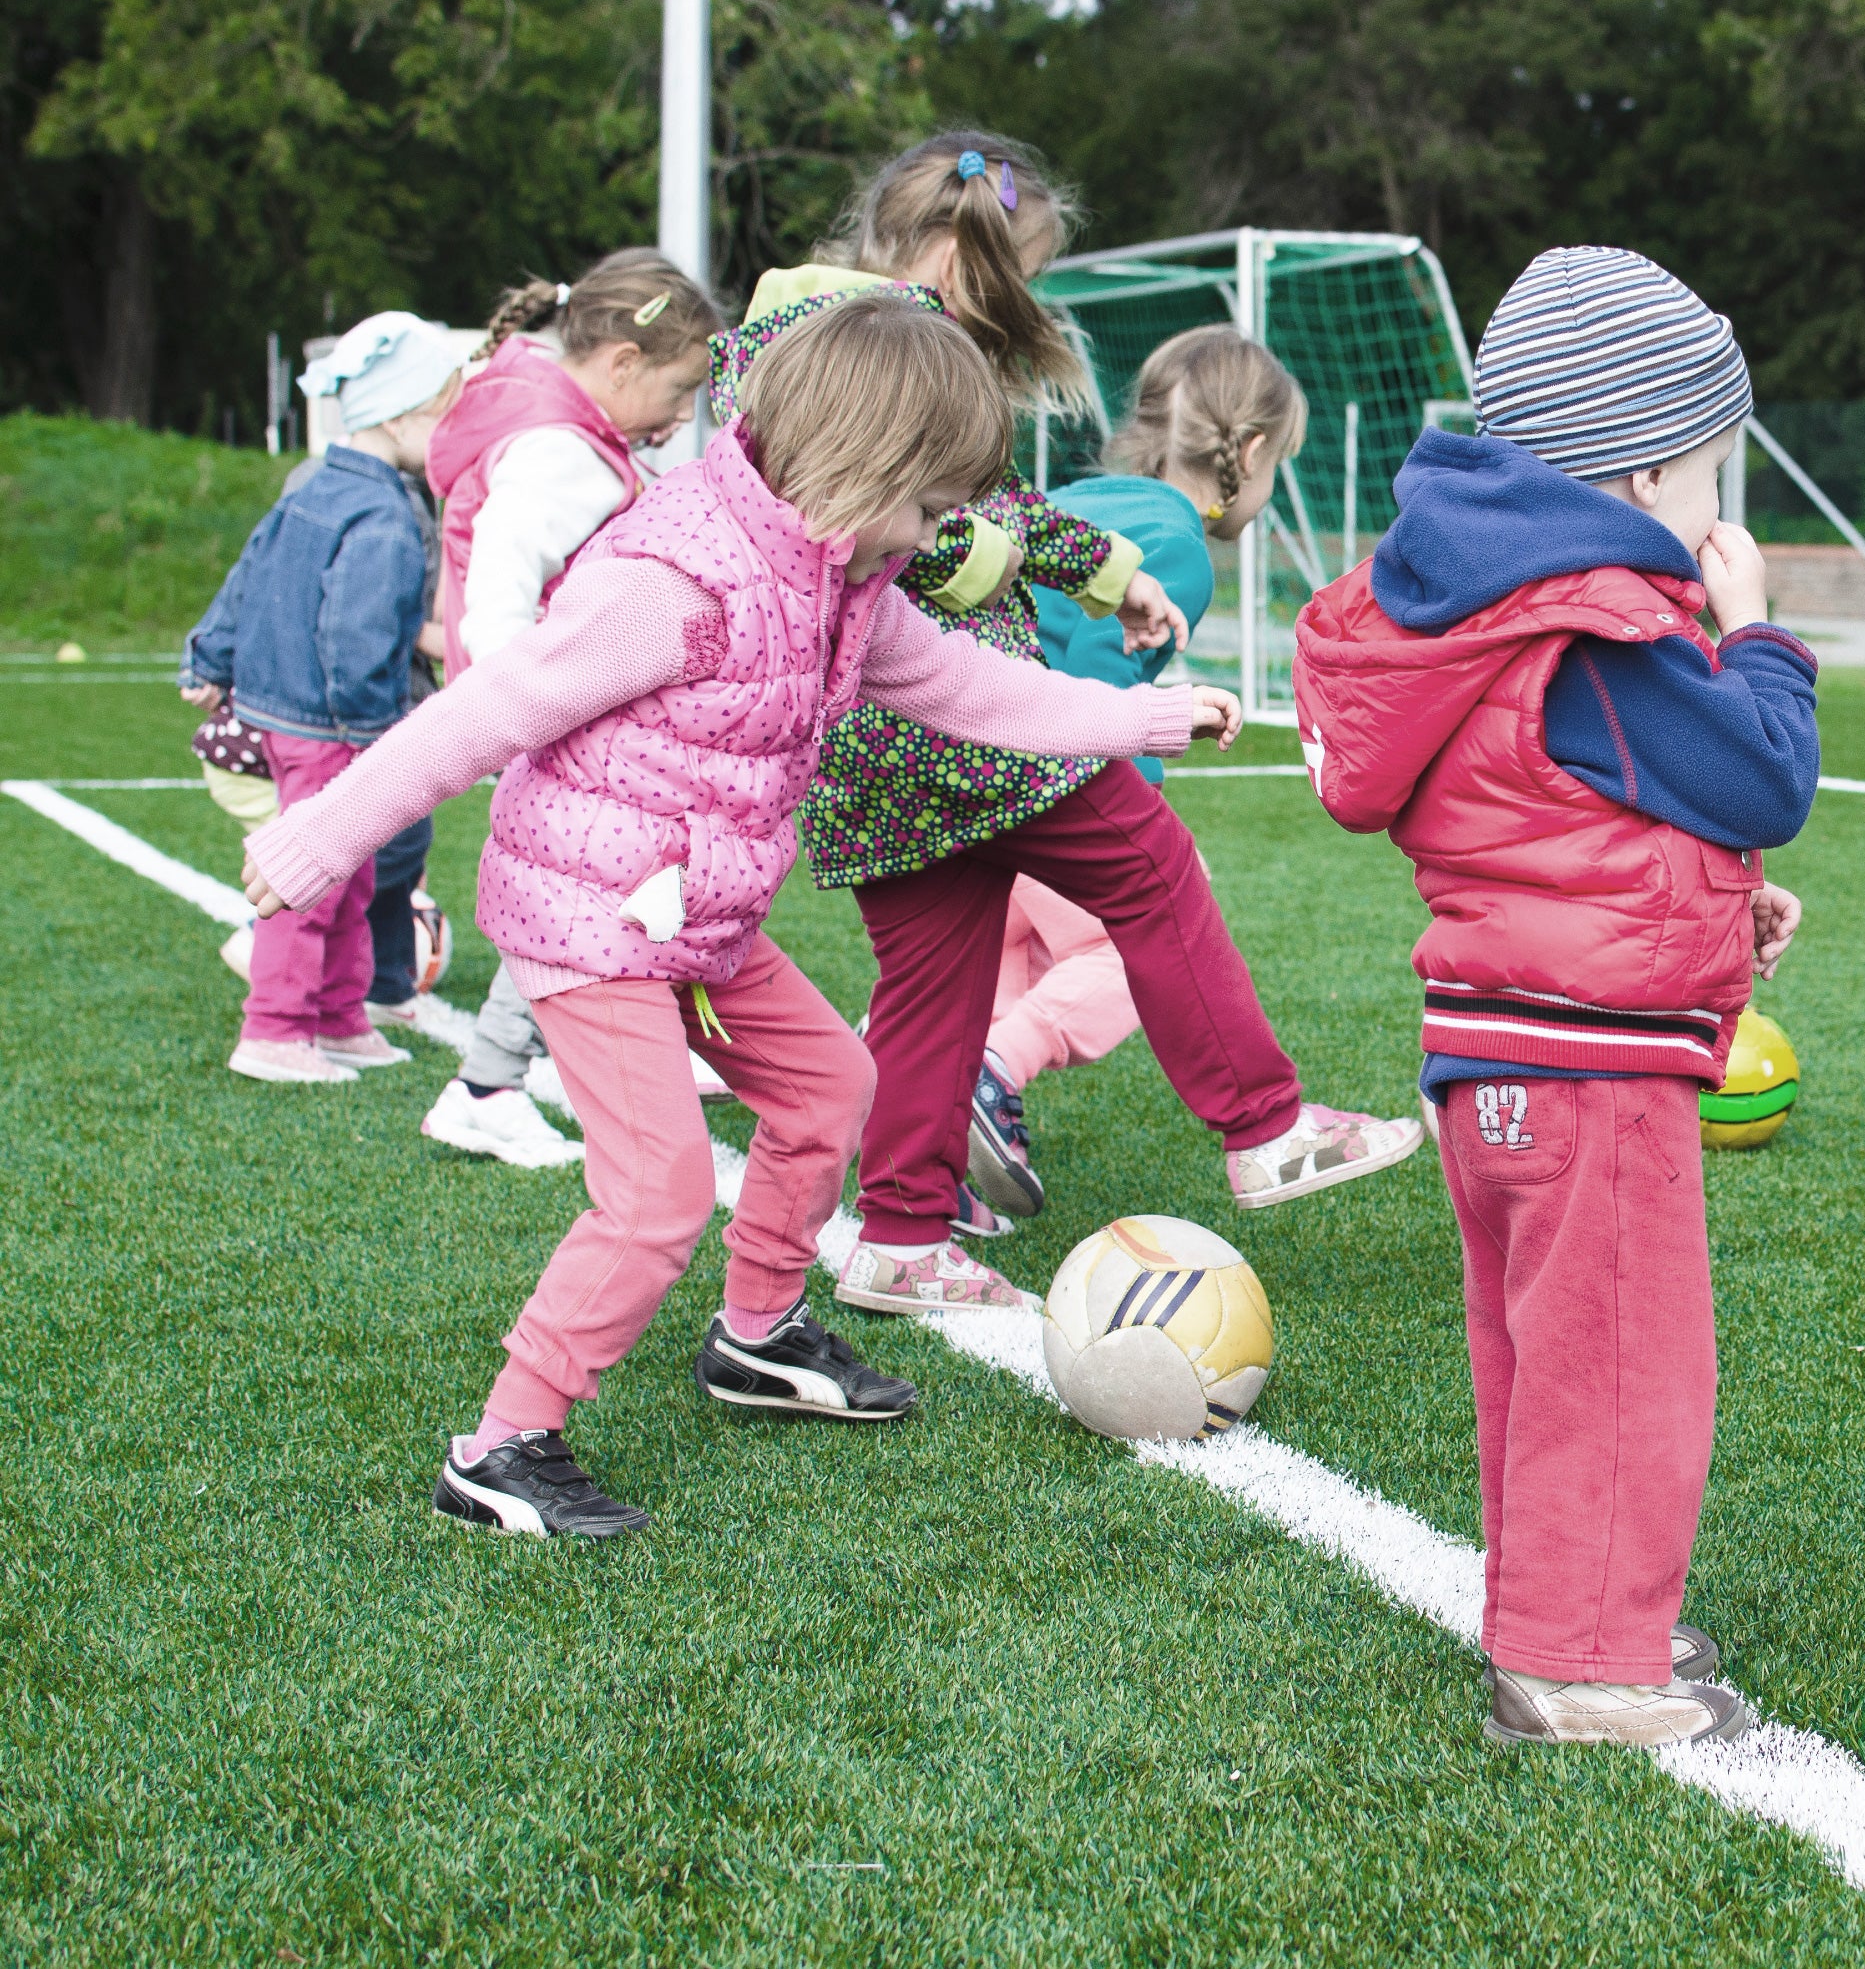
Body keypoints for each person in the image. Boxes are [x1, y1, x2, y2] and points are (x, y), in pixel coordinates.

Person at [238, 293, 1245, 1539]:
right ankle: (501, 1447)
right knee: (658, 1193)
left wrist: (1143, 717)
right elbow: (484, 713)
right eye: (933, 509)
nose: (941, 538)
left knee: (834, 1088)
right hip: (592, 920)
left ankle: (758, 1337)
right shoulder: (673, 582)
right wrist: (320, 836)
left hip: (698, 919)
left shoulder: (844, 575)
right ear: (862, 468)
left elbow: (966, 687)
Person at [711, 131, 1419, 1320]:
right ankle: (1264, 1125)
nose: (1019, 306)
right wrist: (1015, 576)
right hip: (959, 717)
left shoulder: (796, 331)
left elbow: (989, 503)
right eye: (1015, 276)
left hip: (867, 747)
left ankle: (899, 1234)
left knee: (938, 978)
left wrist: (1110, 575)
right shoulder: (869, 347)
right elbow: (913, 530)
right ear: (952, 253)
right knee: (1150, 868)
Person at [1294, 247, 1821, 1747]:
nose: (1722, 509)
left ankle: (1568, 1609)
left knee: (1542, 1359)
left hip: (1501, 1055)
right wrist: (1759, 631)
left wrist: (1720, 906)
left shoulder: (1486, 606)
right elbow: (1764, 769)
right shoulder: (1599, 624)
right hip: (1590, 1075)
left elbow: (1561, 815)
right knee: (1620, 1363)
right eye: (1715, 471)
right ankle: (1581, 1663)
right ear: (1646, 464)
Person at [960, 325, 1304, 1223]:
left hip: (956, 772)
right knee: (1131, 938)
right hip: (1036, 777)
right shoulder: (1176, 549)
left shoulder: (1076, 499)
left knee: (997, 953)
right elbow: (1094, 696)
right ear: (1252, 452)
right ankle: (994, 1071)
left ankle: (925, 1128)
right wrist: (1133, 824)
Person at [414, 249, 727, 1170]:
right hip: (557, 718)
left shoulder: (562, 428)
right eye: (678, 391)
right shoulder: (561, 455)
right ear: (622, 365)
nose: (681, 421)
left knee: (604, 889)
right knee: (589, 895)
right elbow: (502, 595)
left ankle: (520, 1071)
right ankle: (487, 1084)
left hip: (556, 712)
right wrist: (527, 707)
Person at [182, 312, 462, 1085]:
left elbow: (249, 570)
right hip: (332, 726)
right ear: (403, 415)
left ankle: (339, 1016)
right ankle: (273, 1028)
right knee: (312, 877)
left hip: (292, 713)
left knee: (353, 874)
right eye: (446, 413)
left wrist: (209, 654)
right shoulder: (384, 512)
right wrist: (376, 734)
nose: (452, 432)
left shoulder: (317, 483)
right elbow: (357, 631)